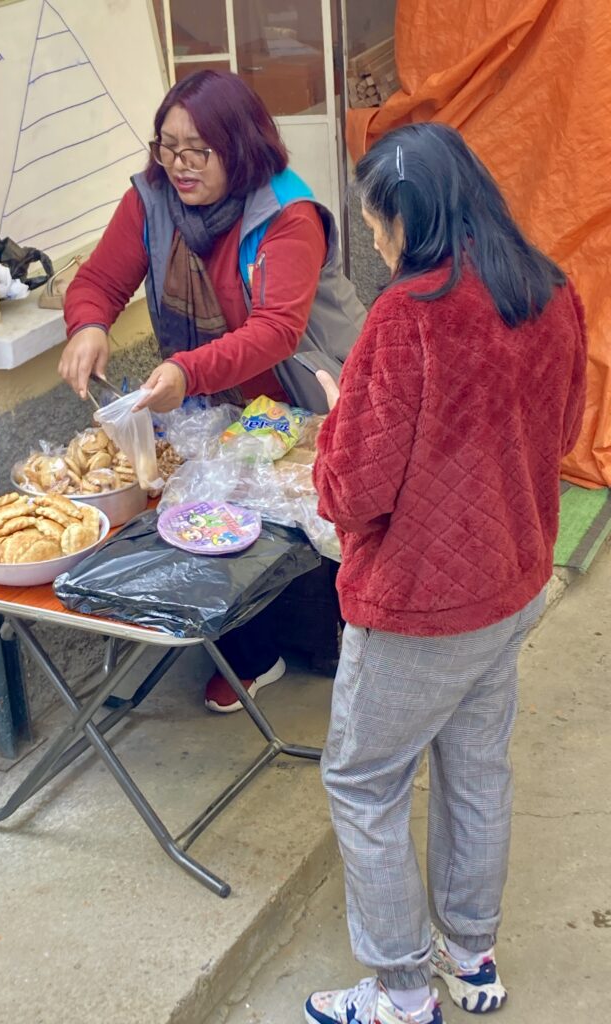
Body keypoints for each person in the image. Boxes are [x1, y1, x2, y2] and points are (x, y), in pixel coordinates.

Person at [305, 123, 586, 1024]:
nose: (378, 247)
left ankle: (398, 991)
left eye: (380, 227)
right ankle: (472, 959)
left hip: (420, 600)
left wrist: (338, 413)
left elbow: (354, 489)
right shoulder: (549, 292)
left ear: (412, 221)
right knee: (475, 769)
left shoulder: (408, 317)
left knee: (362, 779)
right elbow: (565, 428)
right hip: (511, 577)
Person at [59, 70, 365, 713]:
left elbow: (277, 331)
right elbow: (99, 282)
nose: (178, 165)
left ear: (242, 146)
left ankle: (326, 636)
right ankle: (251, 651)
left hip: (306, 389)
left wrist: (187, 374)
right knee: (211, 514)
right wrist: (87, 324)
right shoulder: (150, 198)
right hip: (209, 400)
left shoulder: (289, 215)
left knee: (296, 520)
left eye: (197, 150)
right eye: (166, 147)